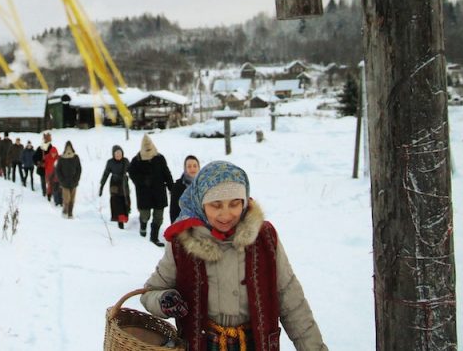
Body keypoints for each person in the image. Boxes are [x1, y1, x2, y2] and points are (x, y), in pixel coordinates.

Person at [141, 160, 327, 351]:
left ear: (245, 202)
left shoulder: (264, 239)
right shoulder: (182, 244)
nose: (226, 214)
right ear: (200, 203)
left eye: (234, 204)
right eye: (216, 205)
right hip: (204, 345)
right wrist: (163, 300)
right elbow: (150, 292)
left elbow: (292, 301)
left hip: (255, 344)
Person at [128, 134, 173, 246]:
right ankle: (143, 228)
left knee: (158, 217)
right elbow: (131, 173)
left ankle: (154, 238)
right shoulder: (137, 160)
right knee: (145, 215)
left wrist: (171, 188)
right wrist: (142, 181)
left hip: (159, 192)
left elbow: (167, 173)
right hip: (144, 194)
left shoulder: (160, 158)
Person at [98, 144, 132, 229]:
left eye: (119, 153)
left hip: (124, 184)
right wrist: (101, 186)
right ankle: (120, 223)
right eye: (116, 153)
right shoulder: (110, 162)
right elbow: (105, 174)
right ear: (113, 154)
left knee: (126, 202)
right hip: (114, 184)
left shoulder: (125, 161)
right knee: (117, 204)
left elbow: (132, 172)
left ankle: (124, 218)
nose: (118, 155)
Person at [55, 140, 82, 218]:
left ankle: (70, 213)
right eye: (67, 148)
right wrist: (61, 180)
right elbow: (58, 170)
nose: (68, 150)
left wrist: (76, 179)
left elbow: (79, 169)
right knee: (67, 198)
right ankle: (65, 211)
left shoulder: (75, 157)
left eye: (70, 148)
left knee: (72, 199)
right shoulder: (61, 158)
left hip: (74, 182)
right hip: (64, 182)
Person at [170, 155, 200, 224]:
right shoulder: (177, 186)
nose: (192, 169)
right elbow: (173, 210)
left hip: (203, 225)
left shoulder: (204, 184)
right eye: (189, 166)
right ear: (185, 169)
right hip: (183, 225)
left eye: (195, 166)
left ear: (199, 168)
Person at [42, 135, 60, 204]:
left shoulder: (58, 157)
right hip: (48, 173)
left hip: (55, 173)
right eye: (52, 153)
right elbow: (44, 164)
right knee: (50, 185)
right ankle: (49, 195)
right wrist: (42, 164)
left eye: (54, 153)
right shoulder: (47, 157)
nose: (53, 154)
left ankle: (55, 196)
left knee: (55, 185)